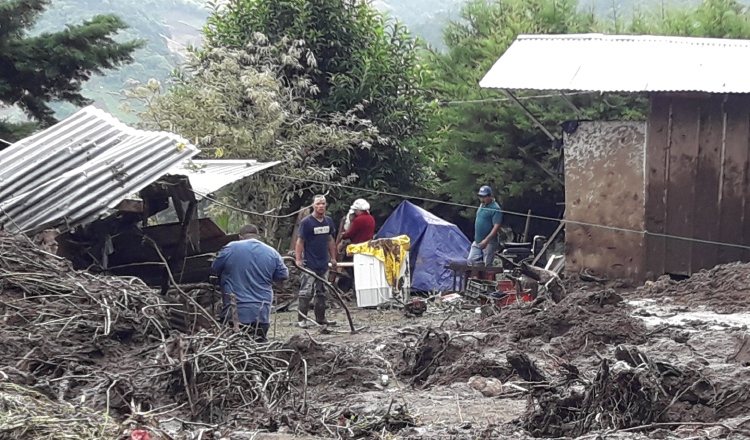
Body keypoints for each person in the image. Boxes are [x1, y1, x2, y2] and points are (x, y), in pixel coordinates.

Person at [211, 224, 288, 342]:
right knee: (259, 348)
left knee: (234, 349)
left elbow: (215, 267)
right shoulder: (272, 252)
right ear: (258, 237)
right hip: (262, 311)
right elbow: (283, 275)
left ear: (240, 237)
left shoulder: (231, 248)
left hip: (236, 311)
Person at [296, 194, 338, 327]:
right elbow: (300, 241)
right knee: (306, 293)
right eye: (318, 204)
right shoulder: (306, 222)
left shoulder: (328, 221)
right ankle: (302, 320)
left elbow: (330, 240)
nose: (321, 206)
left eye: (323, 203)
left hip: (323, 263)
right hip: (309, 263)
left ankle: (321, 318)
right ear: (313, 206)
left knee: (322, 292)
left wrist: (333, 257)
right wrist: (298, 259)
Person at [336, 198, 376, 292]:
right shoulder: (371, 218)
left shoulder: (358, 220)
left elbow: (351, 234)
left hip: (357, 247)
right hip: (368, 247)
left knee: (348, 266)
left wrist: (343, 235)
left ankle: (347, 287)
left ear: (359, 210)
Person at [468, 185, 503, 267]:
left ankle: (486, 279)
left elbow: (496, 226)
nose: (482, 199)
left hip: (489, 243)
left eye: (484, 197)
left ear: (490, 196)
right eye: (480, 196)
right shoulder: (481, 205)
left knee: (487, 265)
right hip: (477, 241)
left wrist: (486, 240)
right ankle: (475, 278)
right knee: (471, 260)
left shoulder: (496, 208)